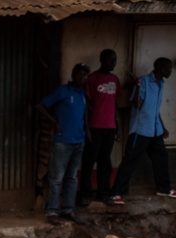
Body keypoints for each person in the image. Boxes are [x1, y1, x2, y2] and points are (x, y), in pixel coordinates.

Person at [109, 57, 176, 203]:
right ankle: (115, 193)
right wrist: (138, 86)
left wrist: (162, 126)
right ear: (160, 68)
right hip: (140, 130)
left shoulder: (161, 83)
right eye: (168, 68)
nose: (170, 71)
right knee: (130, 161)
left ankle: (163, 189)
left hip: (155, 130)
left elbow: (154, 109)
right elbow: (136, 104)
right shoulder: (144, 81)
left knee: (161, 158)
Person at [36, 63, 89, 224]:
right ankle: (52, 211)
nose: (82, 78)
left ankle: (68, 209)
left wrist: (86, 132)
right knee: (57, 178)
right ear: (73, 75)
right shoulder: (63, 91)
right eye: (80, 74)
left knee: (72, 177)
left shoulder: (82, 94)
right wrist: (54, 122)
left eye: (85, 75)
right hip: (62, 142)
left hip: (78, 141)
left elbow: (83, 114)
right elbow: (40, 106)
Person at [78, 50, 122, 206]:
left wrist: (118, 126)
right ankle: (85, 194)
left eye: (115, 60)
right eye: (111, 60)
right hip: (95, 126)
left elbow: (115, 104)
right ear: (102, 60)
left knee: (105, 161)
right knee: (89, 161)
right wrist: (87, 128)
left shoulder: (115, 80)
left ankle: (103, 193)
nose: (113, 63)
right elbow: (85, 105)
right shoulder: (92, 79)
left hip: (109, 126)